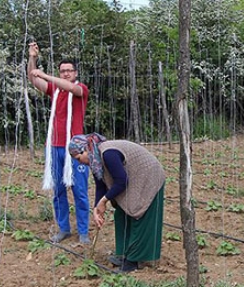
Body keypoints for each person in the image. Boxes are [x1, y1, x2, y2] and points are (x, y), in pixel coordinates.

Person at [69, 133, 166, 273]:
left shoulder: (108, 154)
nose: (79, 162)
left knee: (139, 213)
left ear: (85, 150)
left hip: (149, 175)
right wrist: (97, 208)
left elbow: (122, 181)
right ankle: (124, 254)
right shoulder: (95, 160)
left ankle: (133, 261)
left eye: (79, 158)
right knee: (122, 213)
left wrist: (104, 201)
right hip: (134, 177)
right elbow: (101, 185)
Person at [27, 42, 90, 244]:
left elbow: (71, 88)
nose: (65, 74)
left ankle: (83, 231)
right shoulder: (54, 91)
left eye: (69, 71)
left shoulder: (80, 89)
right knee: (58, 190)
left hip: (76, 148)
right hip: (54, 146)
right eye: (62, 71)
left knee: (79, 190)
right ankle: (64, 228)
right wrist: (32, 59)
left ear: (75, 72)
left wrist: (45, 75)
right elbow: (33, 79)